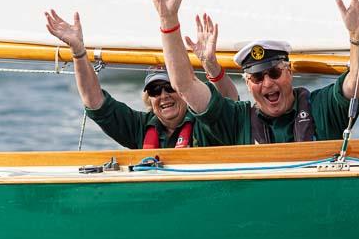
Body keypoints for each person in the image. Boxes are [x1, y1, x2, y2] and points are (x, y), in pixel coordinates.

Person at [140, 0, 359, 145]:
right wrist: (168, 19)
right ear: (248, 83)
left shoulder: (322, 107)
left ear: (289, 73)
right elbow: (184, 85)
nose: (267, 83)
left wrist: (358, 37)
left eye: (274, 73)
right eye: (258, 78)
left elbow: (357, 82)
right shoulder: (235, 121)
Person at [44, 9, 238, 149]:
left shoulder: (207, 123)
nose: (163, 95)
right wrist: (78, 51)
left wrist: (211, 63)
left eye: (169, 87)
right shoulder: (140, 127)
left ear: (185, 90)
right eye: (154, 90)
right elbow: (95, 103)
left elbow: (230, 105)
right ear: (148, 98)